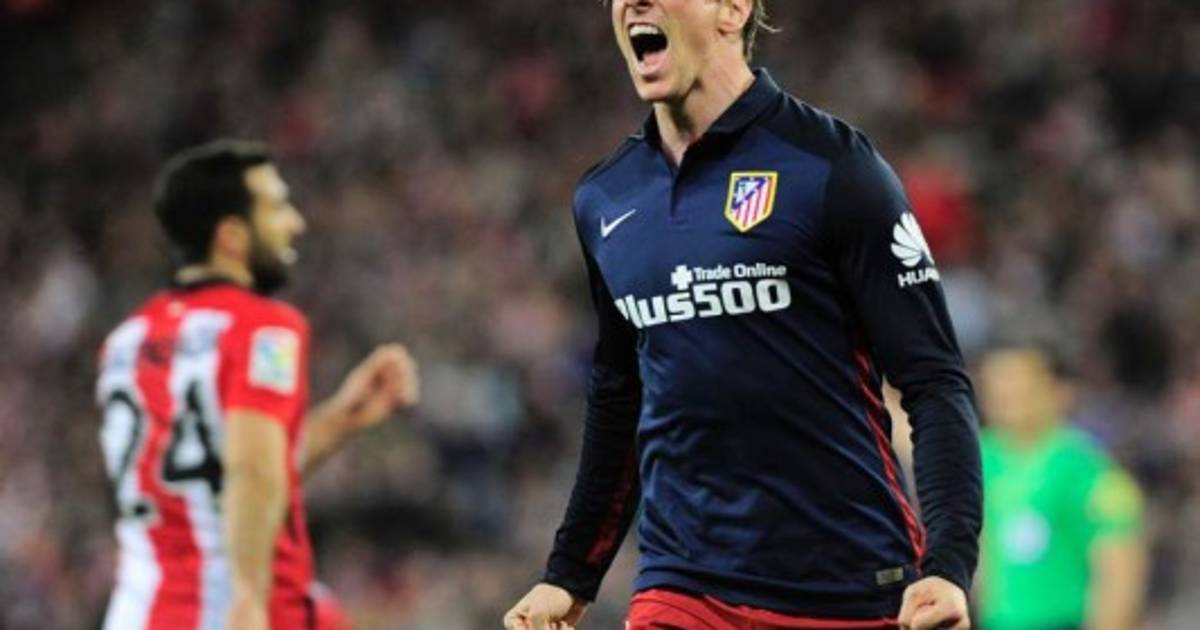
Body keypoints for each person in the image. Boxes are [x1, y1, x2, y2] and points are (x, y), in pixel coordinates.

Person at [503, 1, 982, 629]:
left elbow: (933, 380)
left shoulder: (834, 167)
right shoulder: (606, 198)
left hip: (850, 585)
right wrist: (570, 574)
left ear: (732, 9)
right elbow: (621, 394)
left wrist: (948, 564)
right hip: (684, 585)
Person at [95, 140, 420, 630]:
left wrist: (340, 420)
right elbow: (251, 470)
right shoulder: (265, 330)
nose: (295, 222)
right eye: (276, 206)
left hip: (139, 612)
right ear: (231, 236)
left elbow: (216, 479)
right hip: (231, 609)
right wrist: (248, 597)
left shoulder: (127, 341)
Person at [977, 347, 1147, 630]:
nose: (1007, 394)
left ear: (1058, 391)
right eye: (996, 385)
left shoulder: (1087, 470)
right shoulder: (979, 458)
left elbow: (1119, 566)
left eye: (1021, 383)